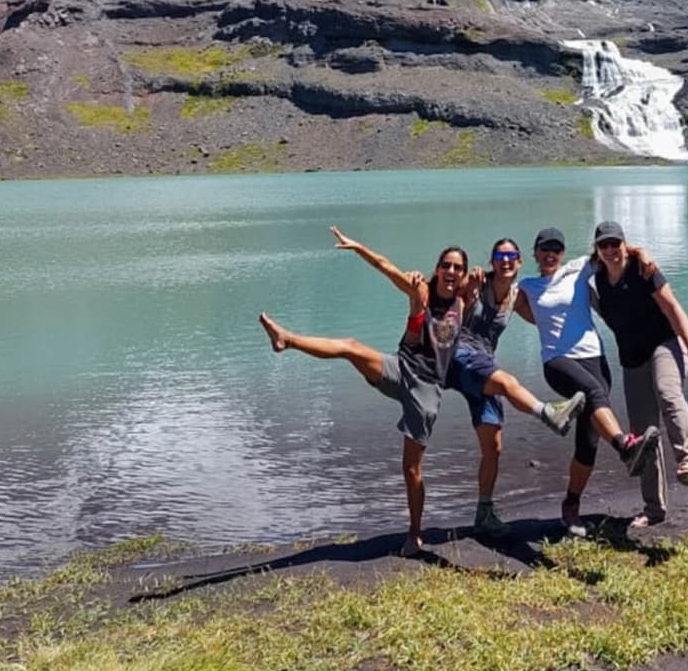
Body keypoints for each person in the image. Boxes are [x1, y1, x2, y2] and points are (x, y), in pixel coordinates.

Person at [259, 226, 584, 557]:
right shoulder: (424, 292)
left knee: (425, 464)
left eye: (458, 268)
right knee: (352, 347)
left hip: (428, 387)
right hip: (403, 369)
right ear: (438, 268)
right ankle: (287, 339)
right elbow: (387, 268)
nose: (453, 272)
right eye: (447, 266)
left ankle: (427, 530)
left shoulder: (469, 298)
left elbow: (524, 301)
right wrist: (358, 247)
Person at [515, 225, 659, 532]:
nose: (550, 254)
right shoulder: (526, 286)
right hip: (557, 360)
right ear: (535, 254)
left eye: (556, 249)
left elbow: (615, 253)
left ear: (563, 253)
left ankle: (571, 506)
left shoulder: (578, 269)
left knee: (587, 442)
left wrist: (642, 253)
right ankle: (625, 446)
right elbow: (505, 302)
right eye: (544, 249)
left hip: (594, 358)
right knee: (593, 391)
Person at [589, 219, 688, 529]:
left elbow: (673, 308)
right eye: (604, 245)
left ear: (624, 244)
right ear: (597, 250)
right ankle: (654, 508)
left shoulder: (643, 270)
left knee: (667, 391)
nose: (610, 250)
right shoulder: (595, 280)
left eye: (615, 244)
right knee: (642, 432)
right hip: (631, 359)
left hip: (665, 345)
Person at [450, 236, 535, 536]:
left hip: (485, 363)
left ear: (520, 262)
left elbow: (544, 318)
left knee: (493, 445)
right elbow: (452, 307)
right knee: (506, 383)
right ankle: (548, 413)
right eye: (500, 256)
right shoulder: (477, 283)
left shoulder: (516, 297)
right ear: (492, 261)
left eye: (512, 255)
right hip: (460, 359)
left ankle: (484, 511)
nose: (506, 260)